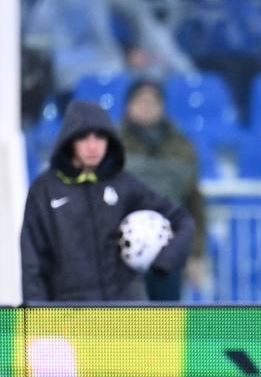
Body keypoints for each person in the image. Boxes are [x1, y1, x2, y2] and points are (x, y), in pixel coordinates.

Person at [20, 100, 194, 302]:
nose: (93, 145)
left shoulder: (124, 184)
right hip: (68, 315)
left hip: (127, 313)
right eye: (83, 137)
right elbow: (32, 261)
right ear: (69, 141)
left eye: (100, 137)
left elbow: (182, 220)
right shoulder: (44, 190)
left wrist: (164, 260)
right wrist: (35, 317)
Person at [120, 80, 206, 300]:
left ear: (162, 107)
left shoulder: (181, 145)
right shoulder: (112, 144)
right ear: (128, 105)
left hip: (169, 250)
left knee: (165, 321)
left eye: (152, 101)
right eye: (141, 101)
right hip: (120, 252)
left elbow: (194, 203)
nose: (146, 107)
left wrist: (195, 254)